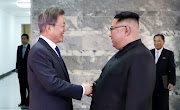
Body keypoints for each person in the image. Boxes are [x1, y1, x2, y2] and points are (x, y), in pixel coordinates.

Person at [27, 7, 92, 110]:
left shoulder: (49, 49)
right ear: (49, 28)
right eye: (63, 25)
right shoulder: (39, 51)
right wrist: (82, 89)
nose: (65, 29)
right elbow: (52, 84)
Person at [90, 11, 156, 110]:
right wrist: (93, 86)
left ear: (126, 30)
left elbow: (138, 103)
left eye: (112, 29)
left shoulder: (142, 56)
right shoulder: (125, 52)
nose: (109, 34)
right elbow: (115, 84)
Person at [151, 34, 176, 110]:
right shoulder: (149, 53)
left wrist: (171, 82)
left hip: (164, 81)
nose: (156, 43)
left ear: (163, 41)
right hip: (151, 82)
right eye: (155, 41)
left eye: (159, 41)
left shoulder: (168, 54)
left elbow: (172, 68)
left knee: (163, 104)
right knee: (152, 104)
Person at [16, 34, 30, 106]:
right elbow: (18, 59)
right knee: (22, 87)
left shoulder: (30, 48)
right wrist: (17, 67)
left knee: (28, 87)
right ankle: (23, 101)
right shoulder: (19, 48)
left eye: (24, 38)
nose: (23, 40)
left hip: (28, 71)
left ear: (27, 39)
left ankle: (28, 101)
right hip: (21, 71)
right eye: (22, 38)